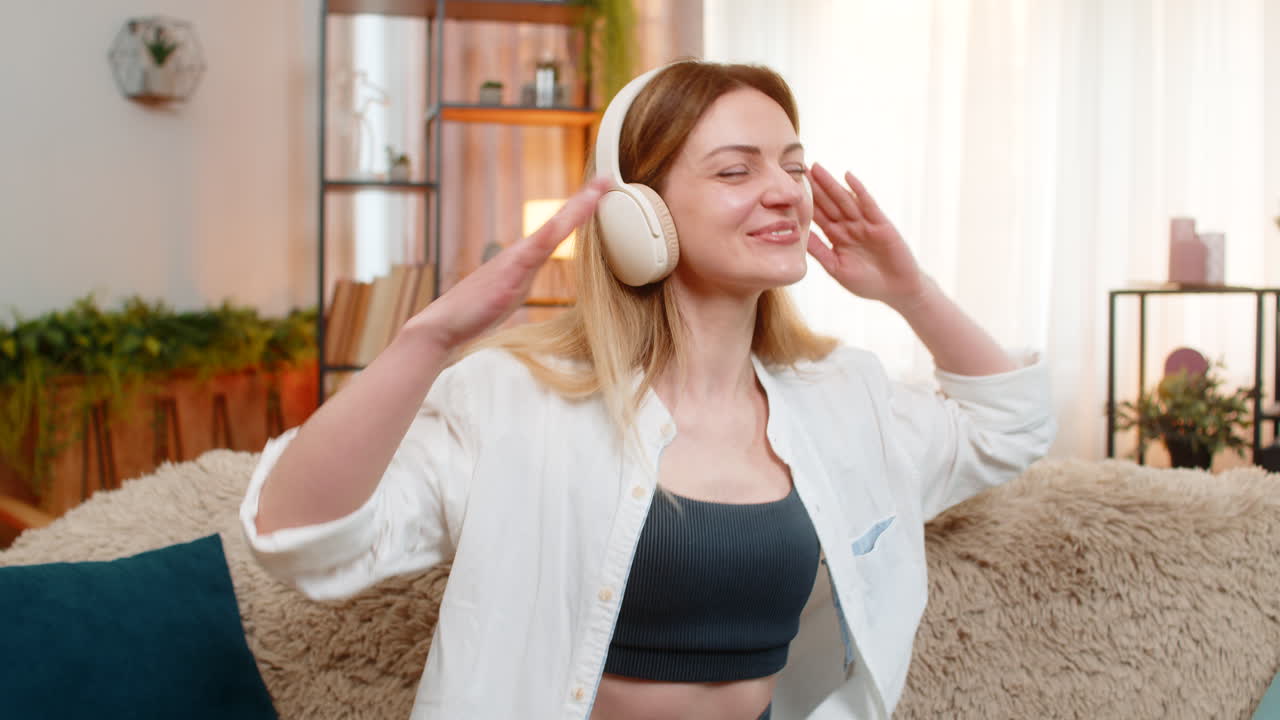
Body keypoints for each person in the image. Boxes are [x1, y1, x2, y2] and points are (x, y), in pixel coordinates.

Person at [241, 60, 1055, 720]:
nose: (785, 190)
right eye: (736, 170)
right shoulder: (516, 403)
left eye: (793, 165)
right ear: (639, 213)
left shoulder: (843, 399)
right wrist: (428, 341)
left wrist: (910, 292)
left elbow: (1009, 427)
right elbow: (299, 541)